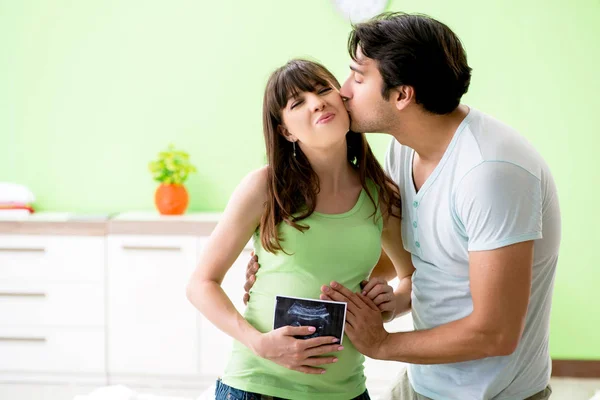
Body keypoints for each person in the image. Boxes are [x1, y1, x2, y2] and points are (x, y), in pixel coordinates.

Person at [244, 12, 561, 400]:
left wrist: (382, 345)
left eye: (358, 78)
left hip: (493, 394)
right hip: (423, 384)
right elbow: (416, 259)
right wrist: (285, 266)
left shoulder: (490, 173)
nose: (342, 91)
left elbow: (495, 332)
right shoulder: (403, 150)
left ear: (401, 95)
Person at [186, 59, 414, 400]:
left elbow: (412, 274)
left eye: (323, 90)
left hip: (346, 392)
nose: (317, 102)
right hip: (256, 386)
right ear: (286, 131)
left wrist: (393, 302)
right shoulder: (265, 187)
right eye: (298, 103)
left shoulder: (380, 193)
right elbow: (200, 284)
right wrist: (259, 344)